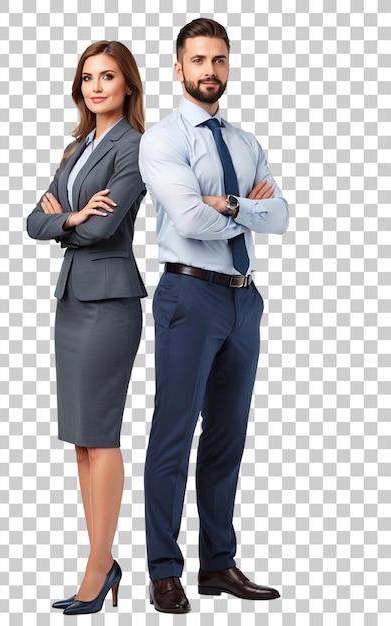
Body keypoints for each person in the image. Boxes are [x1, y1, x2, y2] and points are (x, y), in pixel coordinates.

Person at [139, 18, 289, 614]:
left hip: (243, 298)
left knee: (227, 436)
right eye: (198, 61)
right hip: (189, 294)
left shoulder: (246, 141)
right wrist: (241, 207)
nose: (210, 71)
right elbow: (187, 219)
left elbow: (280, 217)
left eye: (219, 60)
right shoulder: (163, 139)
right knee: (173, 436)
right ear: (179, 69)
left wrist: (224, 205)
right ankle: (163, 569)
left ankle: (218, 564)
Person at [27, 40, 146, 616]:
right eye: (86, 78)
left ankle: (99, 569)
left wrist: (64, 222)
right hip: (73, 300)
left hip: (111, 301)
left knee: (102, 435)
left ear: (128, 84)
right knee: (81, 439)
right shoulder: (78, 147)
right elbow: (34, 220)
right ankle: (103, 558)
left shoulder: (135, 147)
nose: (94, 86)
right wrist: (70, 216)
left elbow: (104, 231)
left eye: (107, 76)